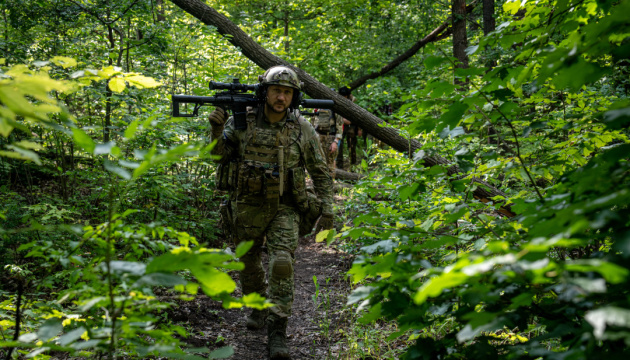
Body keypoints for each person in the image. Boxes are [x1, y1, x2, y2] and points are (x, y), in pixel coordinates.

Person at [208, 66, 334, 359]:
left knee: (281, 262)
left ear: (294, 96)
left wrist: (327, 207)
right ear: (265, 92)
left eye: (287, 93)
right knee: (248, 263)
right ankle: (256, 305)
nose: (281, 97)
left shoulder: (300, 127)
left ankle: (278, 329)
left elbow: (319, 170)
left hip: (285, 206)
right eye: (276, 91)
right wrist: (216, 129)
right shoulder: (242, 122)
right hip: (246, 205)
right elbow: (218, 157)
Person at [309, 98, 343, 178]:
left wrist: (335, 142)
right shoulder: (317, 108)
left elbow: (340, 126)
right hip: (318, 137)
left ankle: (330, 185)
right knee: (317, 162)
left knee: (329, 164)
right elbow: (312, 123)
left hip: (329, 138)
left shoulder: (334, 109)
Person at [336, 86, 361, 168]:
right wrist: (342, 120)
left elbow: (358, 116)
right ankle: (340, 166)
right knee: (339, 146)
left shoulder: (352, 102)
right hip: (341, 125)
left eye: (345, 96)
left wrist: (359, 129)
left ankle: (353, 166)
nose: (343, 97)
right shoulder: (337, 100)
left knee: (352, 146)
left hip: (351, 126)